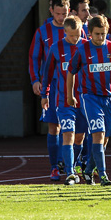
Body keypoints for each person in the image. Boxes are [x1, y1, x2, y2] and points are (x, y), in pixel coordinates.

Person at [67, 14, 111, 186]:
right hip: (90, 97)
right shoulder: (82, 50)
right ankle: (102, 175)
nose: (100, 37)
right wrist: (69, 95)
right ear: (90, 33)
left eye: (103, 34)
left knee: (105, 139)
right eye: (97, 34)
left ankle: (88, 171)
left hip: (109, 98)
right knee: (98, 134)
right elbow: (71, 71)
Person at [42, 15, 87, 183]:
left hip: (84, 100)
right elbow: (46, 73)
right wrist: (45, 94)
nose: (75, 38)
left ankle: (73, 165)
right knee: (67, 133)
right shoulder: (56, 48)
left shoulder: (87, 46)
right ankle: (68, 172)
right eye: (71, 35)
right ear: (65, 32)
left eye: (78, 34)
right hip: (64, 100)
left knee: (79, 138)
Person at [29, 0, 70, 175]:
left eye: (65, 13)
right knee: (54, 125)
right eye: (58, 13)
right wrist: (35, 80)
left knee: (73, 126)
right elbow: (34, 58)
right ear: (51, 11)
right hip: (52, 86)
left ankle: (72, 164)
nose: (61, 17)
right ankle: (55, 166)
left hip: (72, 85)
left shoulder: (77, 29)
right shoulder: (42, 32)